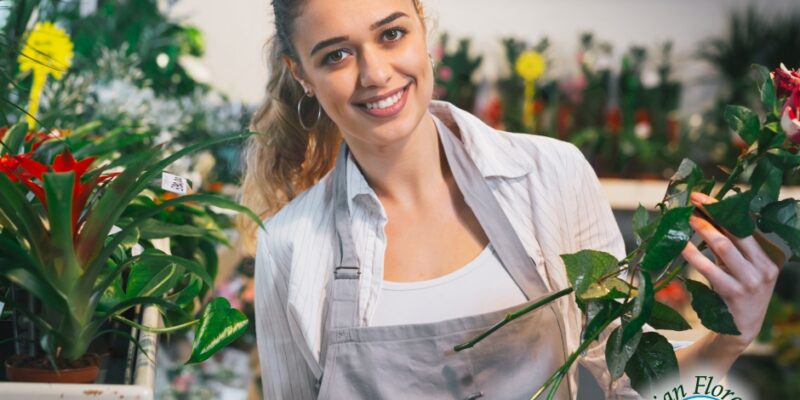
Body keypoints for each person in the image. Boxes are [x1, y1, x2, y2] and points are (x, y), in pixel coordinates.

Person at [240, 0, 781, 398]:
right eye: (336, 55)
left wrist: (729, 340)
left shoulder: (550, 177)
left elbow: (627, 388)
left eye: (391, 34)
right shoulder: (290, 245)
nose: (376, 73)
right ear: (302, 76)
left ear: (421, 26)